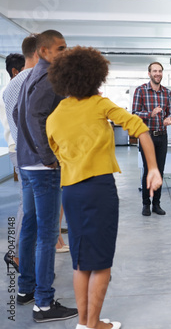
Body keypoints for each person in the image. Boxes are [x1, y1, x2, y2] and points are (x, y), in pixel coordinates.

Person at [47, 46, 162, 329]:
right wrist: (153, 168)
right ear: (95, 77)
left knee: (81, 258)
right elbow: (141, 129)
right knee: (100, 261)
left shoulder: (55, 116)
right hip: (99, 189)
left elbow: (56, 155)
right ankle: (93, 324)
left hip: (71, 192)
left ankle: (84, 323)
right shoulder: (101, 105)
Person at [14, 29, 78, 322]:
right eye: (60, 48)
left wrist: (29, 149)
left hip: (27, 165)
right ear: (44, 52)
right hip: (42, 169)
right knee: (47, 234)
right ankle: (43, 303)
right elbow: (33, 116)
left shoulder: (30, 77)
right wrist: (47, 156)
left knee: (30, 227)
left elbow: (18, 113)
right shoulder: (49, 78)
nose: (65, 52)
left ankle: (26, 289)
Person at [132, 61, 171, 216]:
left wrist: (169, 119)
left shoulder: (167, 93)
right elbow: (135, 113)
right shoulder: (141, 91)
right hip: (147, 136)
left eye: (160, 71)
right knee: (148, 170)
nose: (158, 73)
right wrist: (150, 114)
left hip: (162, 136)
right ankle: (146, 204)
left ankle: (156, 204)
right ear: (149, 73)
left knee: (160, 171)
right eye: (154, 71)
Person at [1, 52, 26, 272]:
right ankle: (16, 253)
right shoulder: (10, 93)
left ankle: (19, 252)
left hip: (20, 150)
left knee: (27, 202)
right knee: (25, 203)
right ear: (16, 73)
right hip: (18, 150)